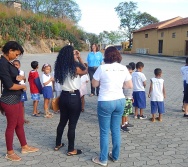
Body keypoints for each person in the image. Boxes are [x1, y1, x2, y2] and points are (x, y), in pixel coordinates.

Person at [91, 46, 132, 166]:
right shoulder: (123, 68)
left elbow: (94, 84)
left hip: (105, 101)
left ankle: (103, 159)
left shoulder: (102, 68)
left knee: (104, 131)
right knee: (116, 130)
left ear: (106, 56)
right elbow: (129, 85)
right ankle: (115, 156)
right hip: (119, 100)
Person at [0, 41, 39, 162]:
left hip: (16, 98)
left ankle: (24, 146)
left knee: (20, 123)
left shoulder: (8, 62)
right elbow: (9, 85)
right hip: (8, 98)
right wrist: (22, 86)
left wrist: (18, 78)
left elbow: (12, 78)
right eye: (16, 54)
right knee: (11, 125)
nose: (16, 56)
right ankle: (9, 152)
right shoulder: (2, 63)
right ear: (10, 50)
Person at [54, 45, 87, 155]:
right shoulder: (75, 68)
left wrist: (76, 57)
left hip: (63, 96)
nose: (75, 55)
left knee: (62, 122)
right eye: (73, 53)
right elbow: (86, 70)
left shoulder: (60, 67)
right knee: (72, 125)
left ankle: (58, 143)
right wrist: (80, 58)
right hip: (74, 97)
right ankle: (71, 149)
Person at [13, 60, 29, 124]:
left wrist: (24, 78)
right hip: (15, 89)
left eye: (16, 64)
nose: (15, 66)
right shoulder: (12, 72)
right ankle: (15, 118)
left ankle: (22, 118)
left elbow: (24, 80)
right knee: (15, 104)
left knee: (22, 104)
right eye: (14, 64)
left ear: (19, 65)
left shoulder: (22, 72)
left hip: (22, 89)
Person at [121, 65, 134, 132]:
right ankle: (123, 125)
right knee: (124, 113)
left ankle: (126, 122)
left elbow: (131, 89)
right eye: (130, 72)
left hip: (129, 97)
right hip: (125, 97)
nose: (131, 74)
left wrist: (132, 97)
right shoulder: (123, 78)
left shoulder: (129, 78)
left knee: (127, 112)